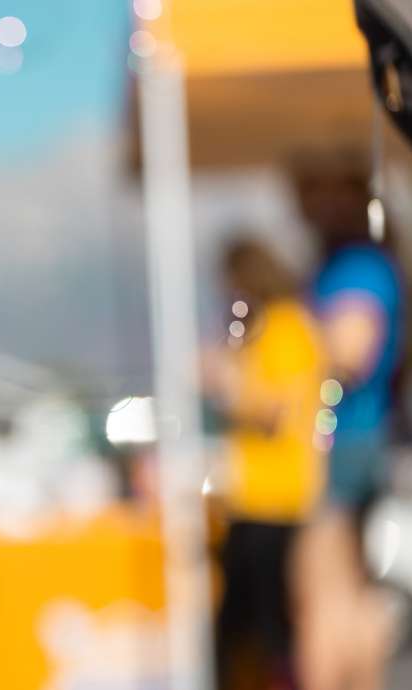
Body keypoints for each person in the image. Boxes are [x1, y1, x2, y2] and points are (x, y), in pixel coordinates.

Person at [286, 149, 405, 690]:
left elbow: (353, 349)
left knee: (328, 593)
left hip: (349, 437)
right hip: (350, 436)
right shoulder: (353, 261)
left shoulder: (358, 263)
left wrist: (290, 349)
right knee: (342, 591)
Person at [201, 237, 327, 690]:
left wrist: (225, 382)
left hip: (277, 500)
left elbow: (276, 408)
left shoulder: (286, 327)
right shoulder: (273, 328)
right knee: (244, 631)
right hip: (257, 500)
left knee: (265, 632)